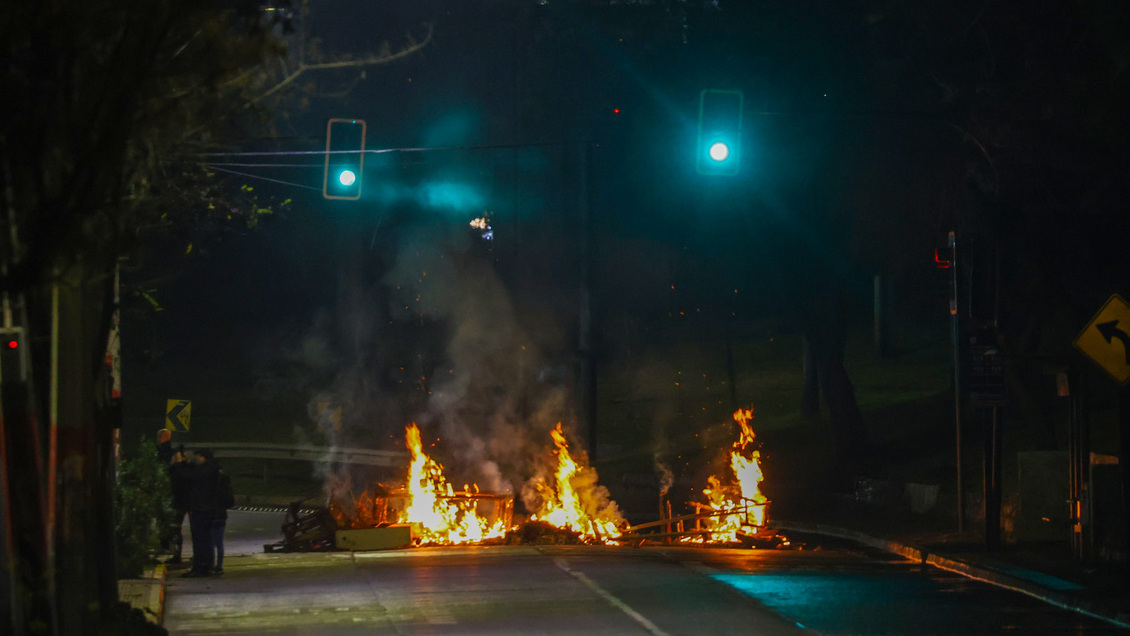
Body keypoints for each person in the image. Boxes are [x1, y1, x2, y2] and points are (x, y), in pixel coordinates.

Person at [180, 448, 221, 578]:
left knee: (200, 539)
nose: (194, 459)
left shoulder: (206, 470)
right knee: (205, 539)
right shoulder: (211, 469)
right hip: (204, 508)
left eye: (196, 456)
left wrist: (183, 463)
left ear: (203, 457)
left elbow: (188, 476)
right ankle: (204, 565)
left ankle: (201, 566)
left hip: (202, 508)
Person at [157, 428, 188, 565]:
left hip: (177, 502)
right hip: (182, 503)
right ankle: (176, 554)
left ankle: (176, 555)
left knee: (174, 529)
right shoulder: (186, 470)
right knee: (175, 529)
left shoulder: (175, 471)